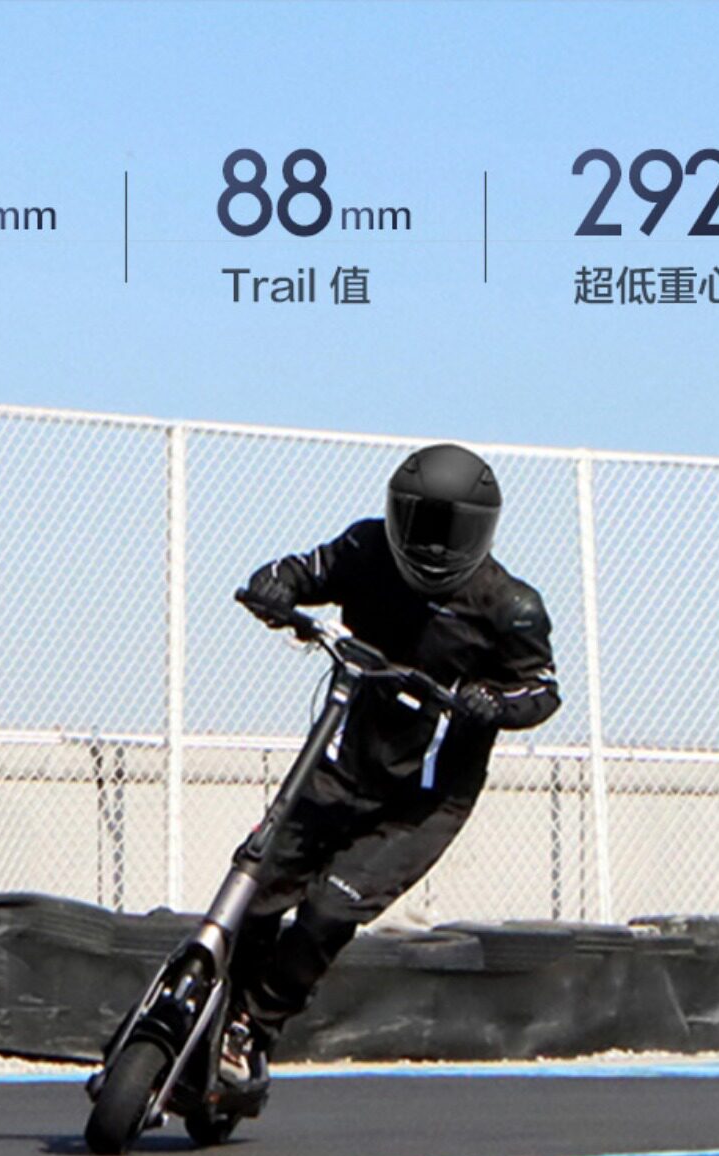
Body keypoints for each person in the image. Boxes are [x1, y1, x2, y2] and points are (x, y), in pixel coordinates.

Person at [222, 441, 560, 1084]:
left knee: (326, 912)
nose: (431, 543)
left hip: (423, 801)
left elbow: (541, 690)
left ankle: (252, 1030)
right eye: (419, 521)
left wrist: (493, 703)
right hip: (341, 765)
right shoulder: (366, 548)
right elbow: (307, 570)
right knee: (256, 891)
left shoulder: (510, 606)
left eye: (449, 529)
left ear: (480, 531)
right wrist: (276, 586)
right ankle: (215, 1013)